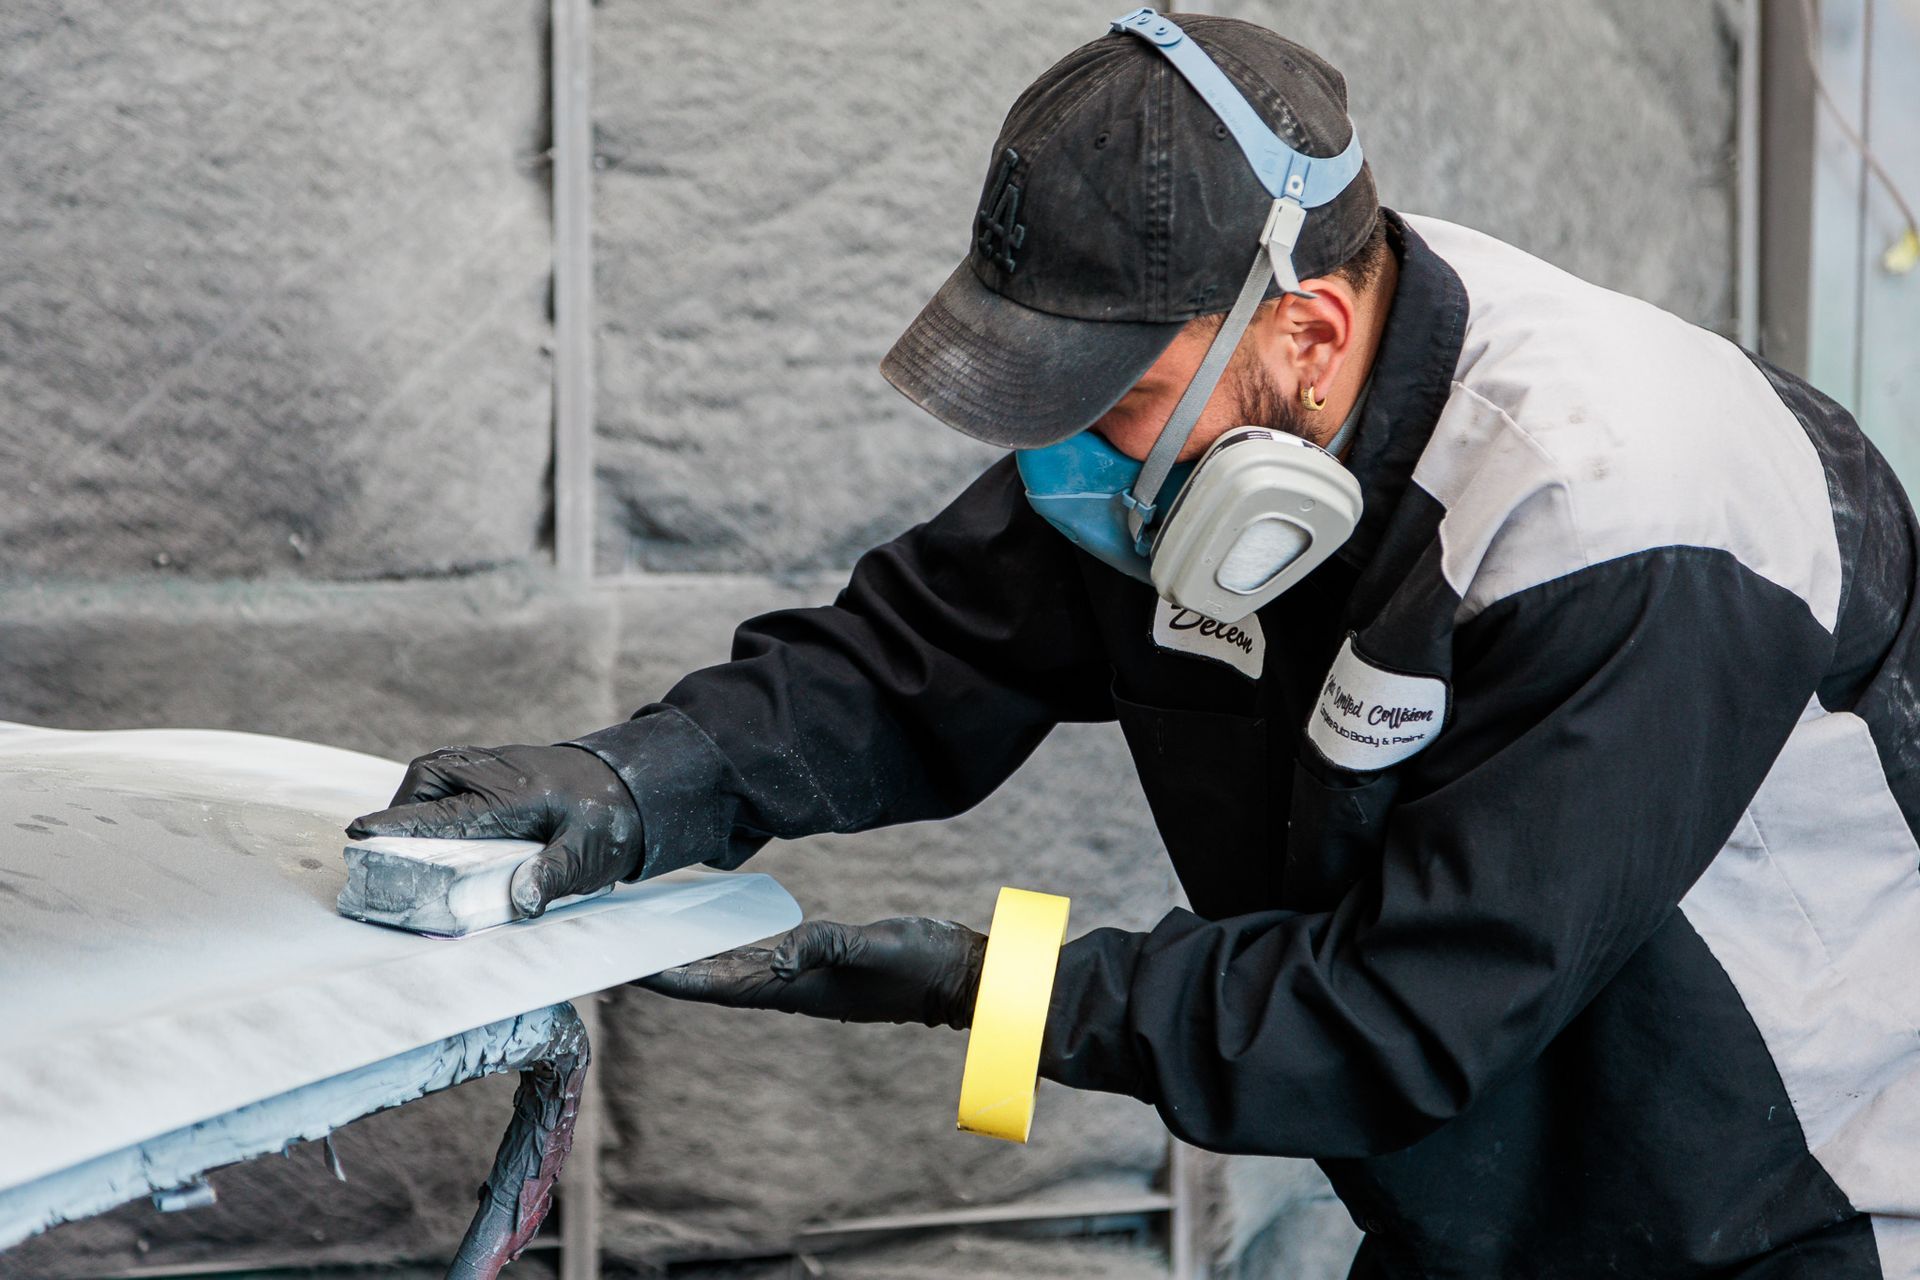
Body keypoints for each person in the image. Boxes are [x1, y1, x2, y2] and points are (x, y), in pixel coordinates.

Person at [348, 11, 1920, 1277]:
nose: (1065, 466)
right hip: (1483, 1211)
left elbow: (1400, 1017)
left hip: (1782, 1210)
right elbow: (918, 655)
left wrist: (985, 990)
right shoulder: (1199, 433)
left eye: (1109, 403)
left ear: (1305, 333)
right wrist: (636, 784)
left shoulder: (1618, 516)